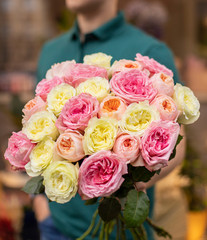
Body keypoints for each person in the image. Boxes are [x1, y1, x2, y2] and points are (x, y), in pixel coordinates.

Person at [35, 0, 186, 239]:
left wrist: (131, 184)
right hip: (56, 226)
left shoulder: (150, 51)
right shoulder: (50, 53)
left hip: (122, 230)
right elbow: (38, 133)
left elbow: (179, 143)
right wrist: (42, 208)